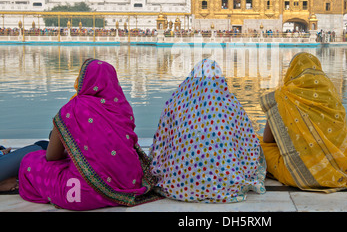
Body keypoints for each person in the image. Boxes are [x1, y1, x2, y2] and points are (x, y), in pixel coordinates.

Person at [19, 58, 160, 210]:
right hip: (129, 184)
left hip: (80, 195)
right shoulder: (123, 108)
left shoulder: (73, 108)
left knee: (30, 161)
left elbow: (52, 157)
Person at [149, 59, 266, 203]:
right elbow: (247, 142)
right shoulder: (231, 104)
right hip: (224, 182)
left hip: (179, 183)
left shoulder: (175, 103)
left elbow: (161, 142)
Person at [259, 52, 347, 192]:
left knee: (259, 145)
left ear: (291, 71)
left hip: (302, 174)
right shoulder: (331, 95)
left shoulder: (283, 96)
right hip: (344, 167)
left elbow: (267, 139)